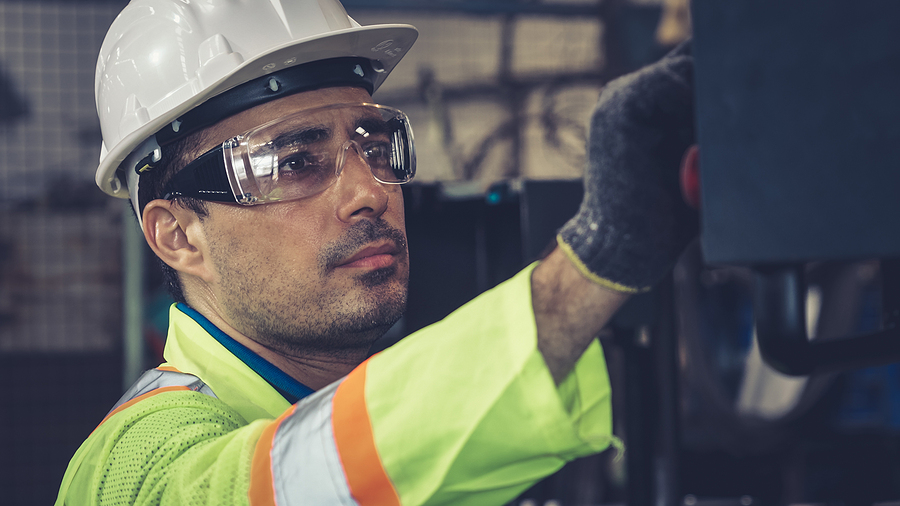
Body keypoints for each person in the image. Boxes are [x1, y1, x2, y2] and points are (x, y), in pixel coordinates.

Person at [56, 0, 695, 504]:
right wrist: (593, 266)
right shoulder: (134, 464)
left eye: (375, 142)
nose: (369, 191)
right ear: (178, 235)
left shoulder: (374, 409)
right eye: (294, 161)